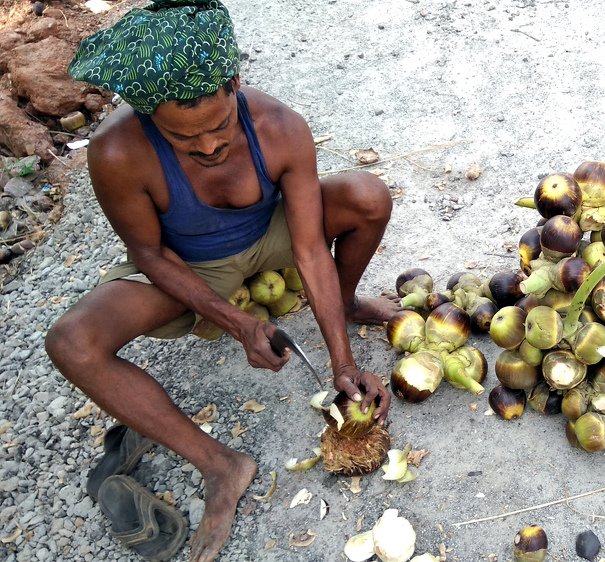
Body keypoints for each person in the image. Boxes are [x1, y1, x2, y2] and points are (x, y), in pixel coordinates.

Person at [44, 1, 398, 560]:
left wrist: (343, 364)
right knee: (72, 343)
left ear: (235, 84)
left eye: (219, 127)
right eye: (184, 139)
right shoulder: (117, 151)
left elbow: (308, 246)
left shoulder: (279, 127)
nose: (209, 146)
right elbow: (150, 254)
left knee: (366, 196)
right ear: (147, 116)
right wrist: (236, 322)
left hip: (275, 234)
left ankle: (347, 301)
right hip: (186, 264)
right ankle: (221, 466)